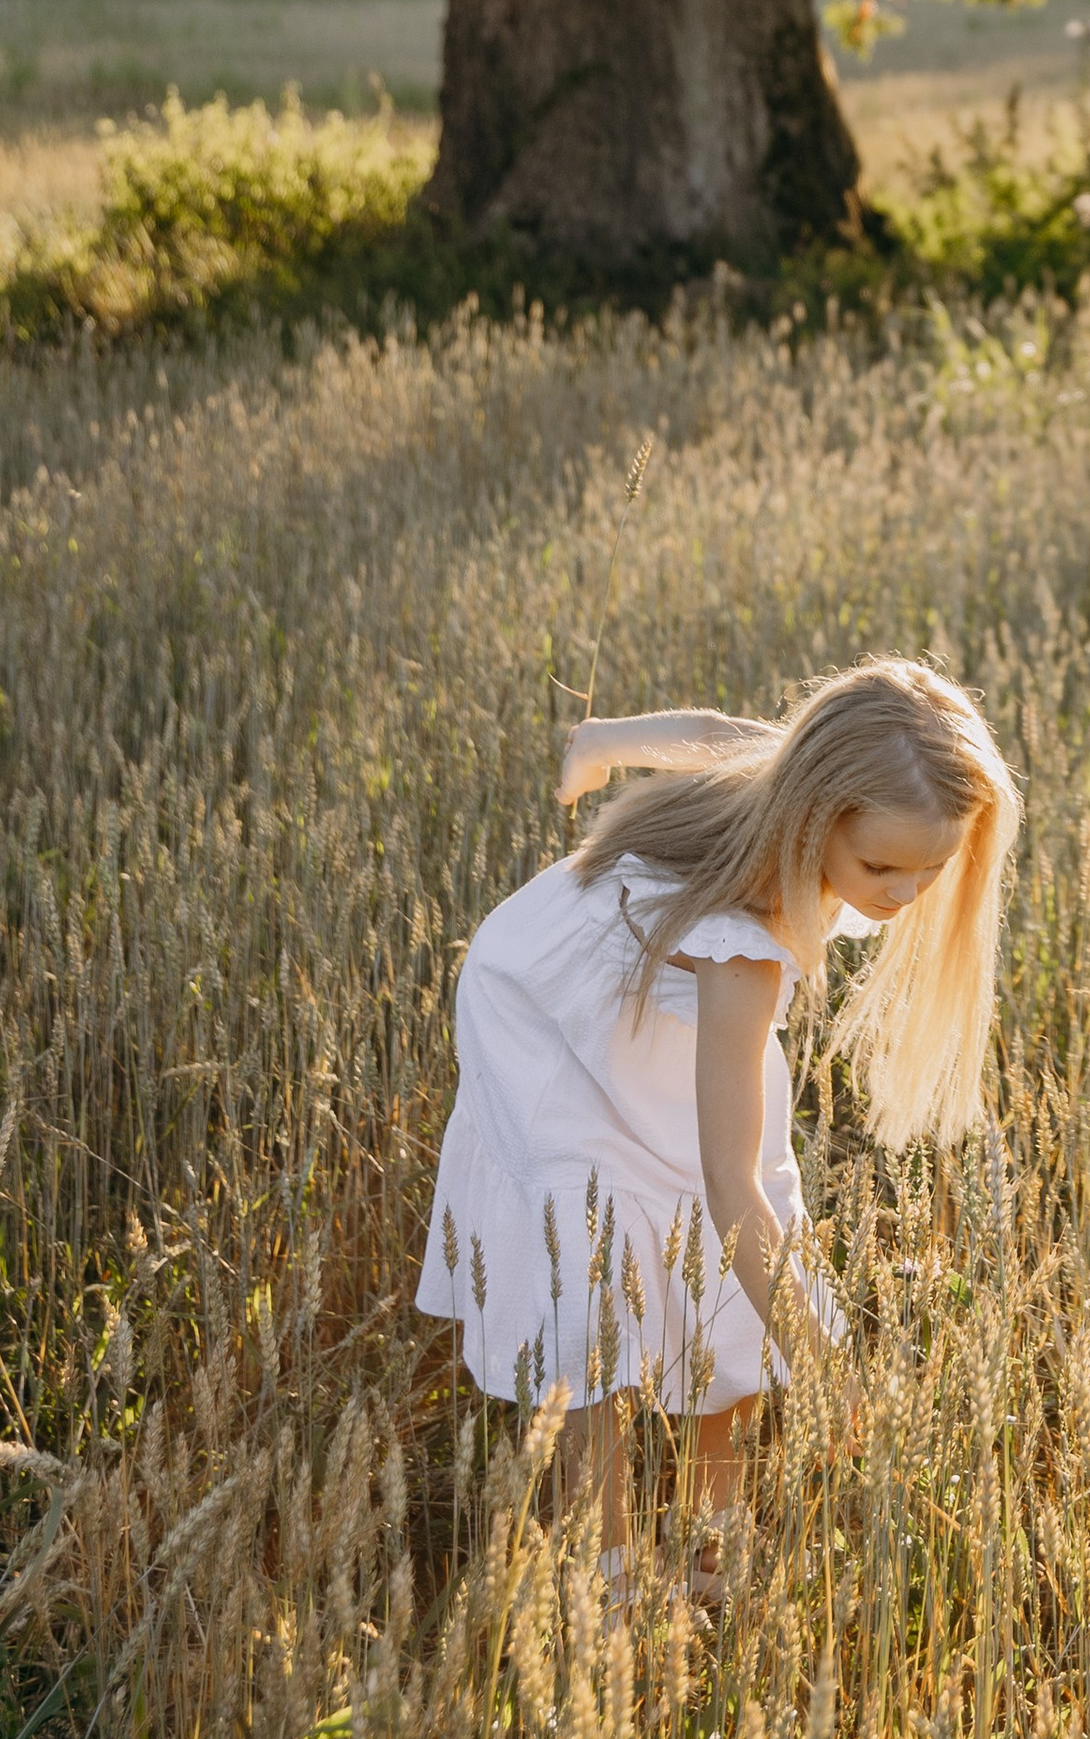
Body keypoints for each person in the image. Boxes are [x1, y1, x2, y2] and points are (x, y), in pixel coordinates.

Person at [416, 657, 1020, 1589]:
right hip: (540, 1009)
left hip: (656, 1000)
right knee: (596, 1273)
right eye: (882, 866)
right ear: (815, 816)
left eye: (932, 869)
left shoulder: (812, 778)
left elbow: (701, 726)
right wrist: (824, 1364)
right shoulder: (747, 952)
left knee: (732, 1257)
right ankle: (609, 1577)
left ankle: (714, 1542)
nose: (904, 895)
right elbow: (730, 1195)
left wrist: (603, 745)